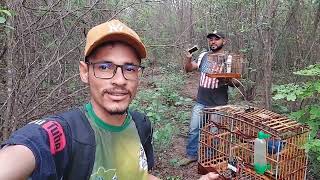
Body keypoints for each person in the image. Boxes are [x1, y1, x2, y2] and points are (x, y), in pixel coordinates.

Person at [0, 19, 219, 180]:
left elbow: (140, 175)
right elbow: (19, 156)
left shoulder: (141, 124)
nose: (120, 80)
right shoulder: (62, 134)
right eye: (105, 67)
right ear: (85, 72)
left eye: (130, 68)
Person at [181, 31, 239, 165]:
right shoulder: (203, 55)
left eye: (216, 39)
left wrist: (225, 78)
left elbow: (236, 82)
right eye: (211, 39)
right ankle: (191, 154)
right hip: (201, 101)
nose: (213, 42)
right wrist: (189, 58)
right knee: (194, 128)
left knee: (214, 132)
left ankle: (210, 158)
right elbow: (189, 69)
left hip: (219, 103)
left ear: (224, 41)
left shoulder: (228, 58)